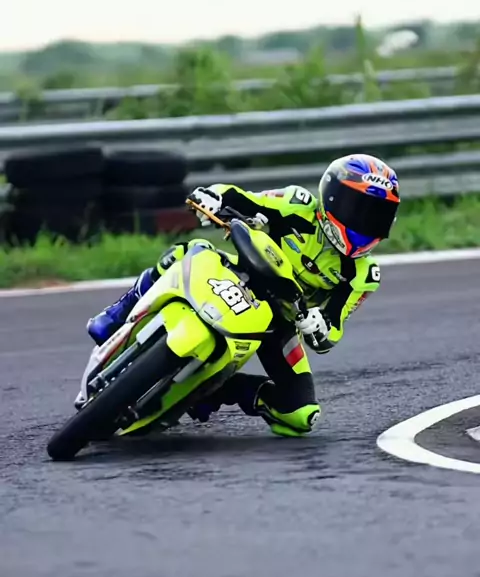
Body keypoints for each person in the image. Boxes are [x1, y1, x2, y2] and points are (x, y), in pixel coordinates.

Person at [86, 154, 400, 436]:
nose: (367, 223)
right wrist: (214, 197)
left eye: (378, 217)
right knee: (189, 250)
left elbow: (333, 330)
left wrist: (319, 326)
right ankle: (117, 313)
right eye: (360, 210)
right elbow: (243, 198)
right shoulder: (298, 204)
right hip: (239, 273)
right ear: (332, 197)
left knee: (300, 414)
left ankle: (218, 389)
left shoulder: (364, 274)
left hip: (281, 321)